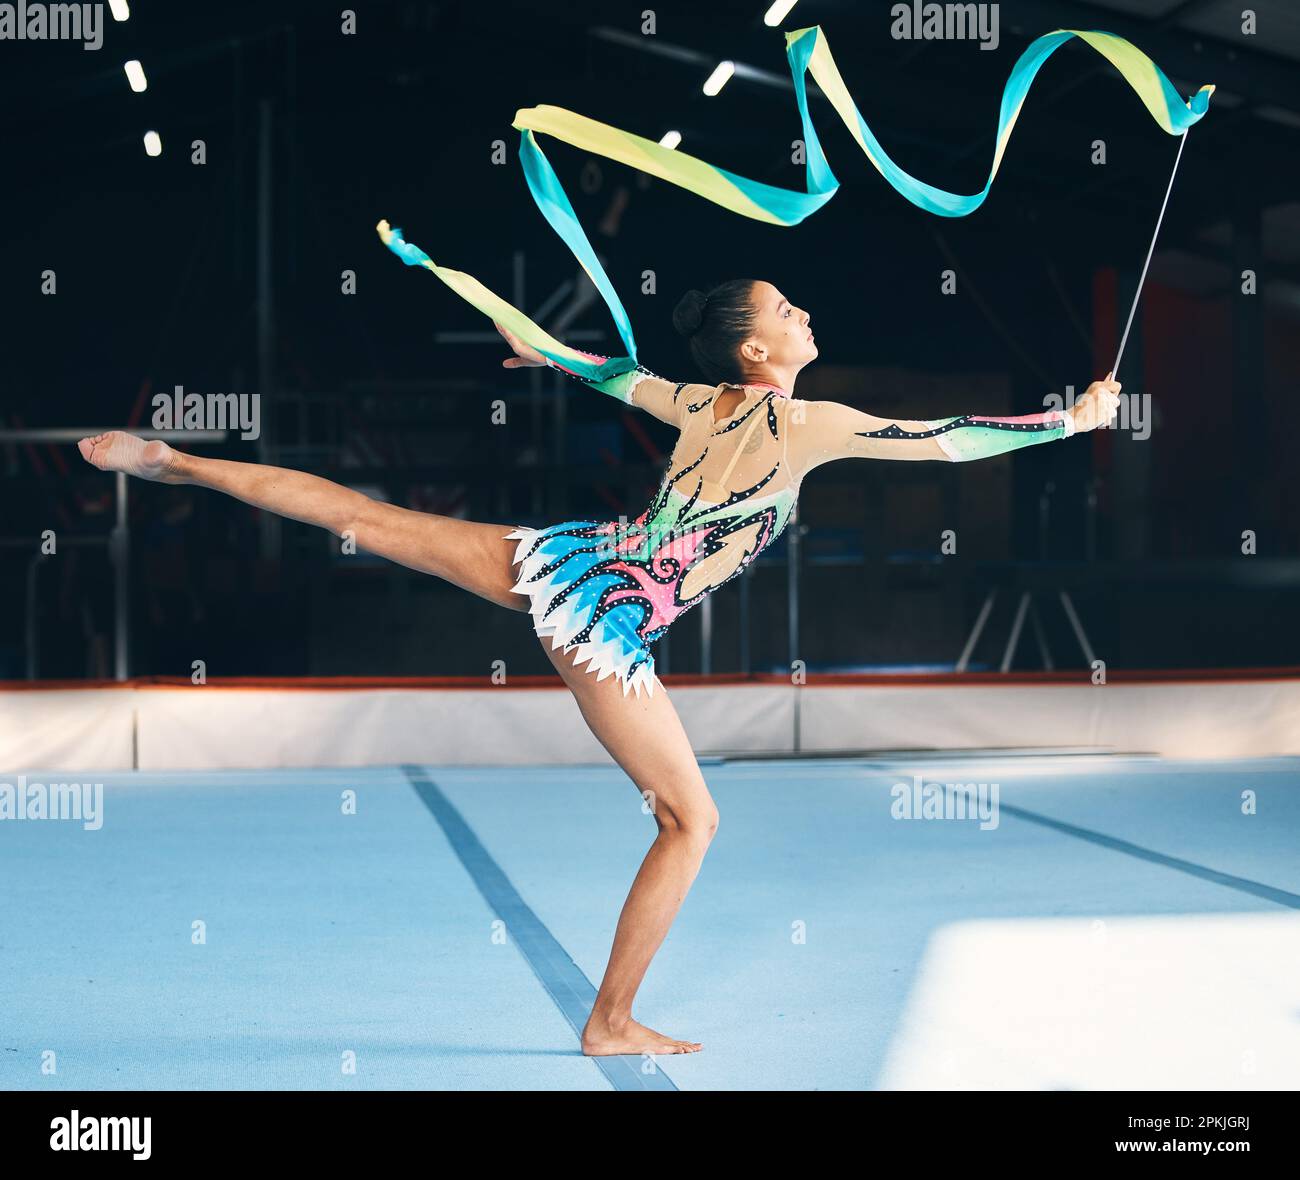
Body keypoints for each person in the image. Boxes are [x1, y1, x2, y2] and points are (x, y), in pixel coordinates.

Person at [77, 278, 1120, 1056]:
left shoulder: (700, 404)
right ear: (759, 348)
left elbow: (616, 373)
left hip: (569, 555)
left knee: (362, 516)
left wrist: (550, 355)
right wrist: (1069, 419)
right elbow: (946, 440)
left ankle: (175, 461)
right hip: (608, 615)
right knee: (691, 819)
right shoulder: (809, 424)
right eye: (787, 309)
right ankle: (610, 1021)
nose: (804, 314)